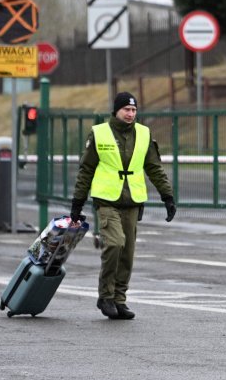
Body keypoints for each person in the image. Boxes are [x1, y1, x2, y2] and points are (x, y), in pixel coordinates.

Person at [70, 92, 176, 320]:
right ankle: (105, 296)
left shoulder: (144, 134)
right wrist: (77, 203)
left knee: (127, 253)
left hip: (132, 201)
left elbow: (154, 168)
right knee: (115, 243)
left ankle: (119, 299)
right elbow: (86, 170)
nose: (130, 114)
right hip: (107, 200)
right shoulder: (99, 133)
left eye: (134, 110)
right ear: (116, 111)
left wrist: (167, 196)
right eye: (126, 110)